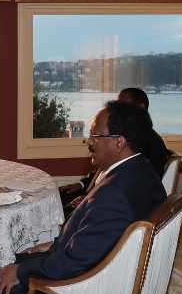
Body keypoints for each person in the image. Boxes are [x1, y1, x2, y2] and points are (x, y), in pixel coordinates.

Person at [0, 100, 167, 294]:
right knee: (13, 257)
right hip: (116, 280)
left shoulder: (114, 193)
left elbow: (72, 265)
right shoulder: (145, 173)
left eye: (95, 135)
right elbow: (105, 238)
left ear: (119, 142)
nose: (89, 142)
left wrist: (20, 272)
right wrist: (56, 244)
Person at [60, 87, 171, 215]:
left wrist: (90, 199)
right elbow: (101, 172)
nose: (88, 141)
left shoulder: (148, 144)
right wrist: (81, 184)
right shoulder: (115, 142)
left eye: (94, 136)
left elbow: (136, 189)